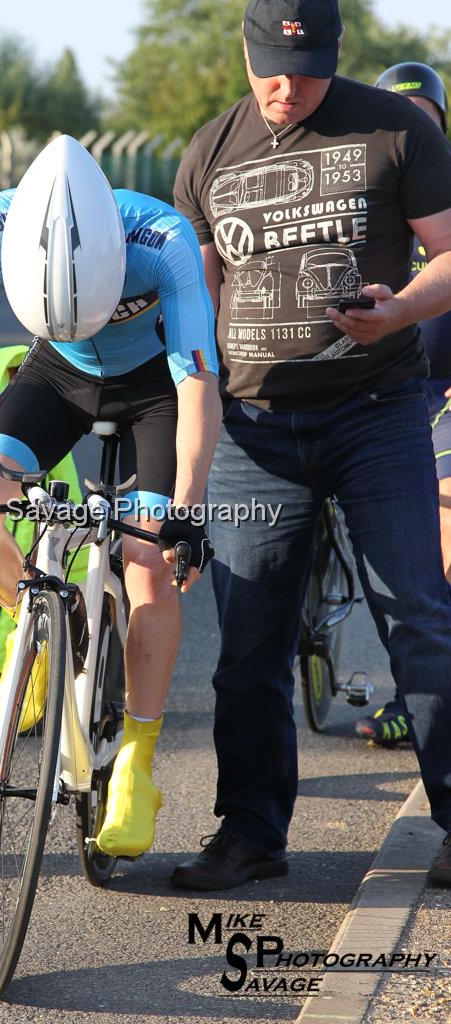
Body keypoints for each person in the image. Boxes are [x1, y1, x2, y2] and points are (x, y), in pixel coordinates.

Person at [171, 0, 451, 890]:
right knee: (248, 642)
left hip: (377, 412)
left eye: (308, 66)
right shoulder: (208, 151)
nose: (285, 86)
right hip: (254, 433)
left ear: (335, 53)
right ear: (244, 52)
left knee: (418, 616)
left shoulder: (397, 125)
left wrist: (402, 309)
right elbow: (197, 288)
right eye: (269, 67)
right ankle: (250, 834)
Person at [0, 135, 221, 859]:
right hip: (57, 374)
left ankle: (138, 759)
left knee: (145, 559)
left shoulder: (161, 238)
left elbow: (198, 379)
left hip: (156, 387)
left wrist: (188, 512)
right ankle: (43, 624)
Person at [355, 62, 451, 747]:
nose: (414, 125)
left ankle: (422, 706)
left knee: (439, 555)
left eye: (426, 113)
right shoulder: (366, 196)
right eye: (400, 114)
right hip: (374, 391)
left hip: (443, 394)